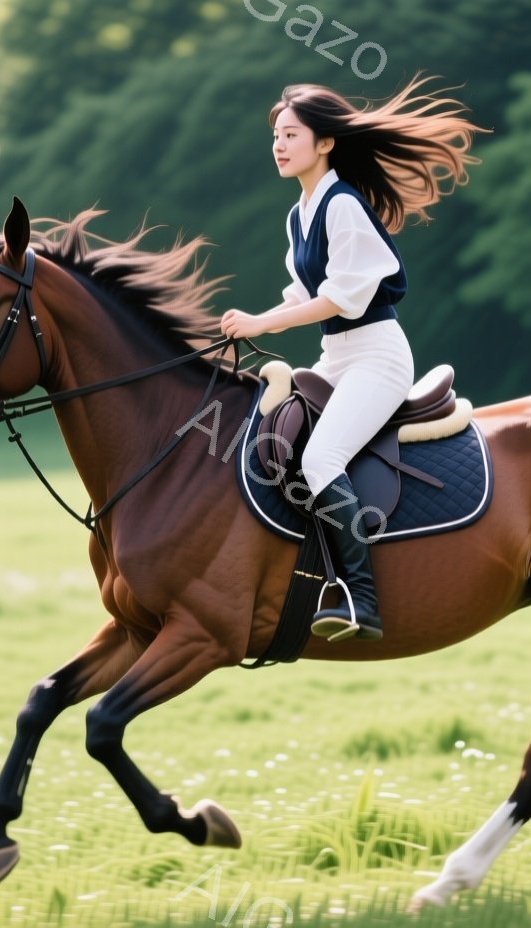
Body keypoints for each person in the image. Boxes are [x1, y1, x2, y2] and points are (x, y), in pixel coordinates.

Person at [220, 76, 484, 642]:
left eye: (291, 134)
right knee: (272, 438)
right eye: (275, 136)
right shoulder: (300, 213)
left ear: (326, 143)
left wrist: (262, 324)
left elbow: (341, 298)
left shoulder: (343, 204)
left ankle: (361, 599)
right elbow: (302, 293)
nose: (279, 145)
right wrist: (245, 322)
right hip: (336, 356)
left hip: (377, 357)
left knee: (320, 460)